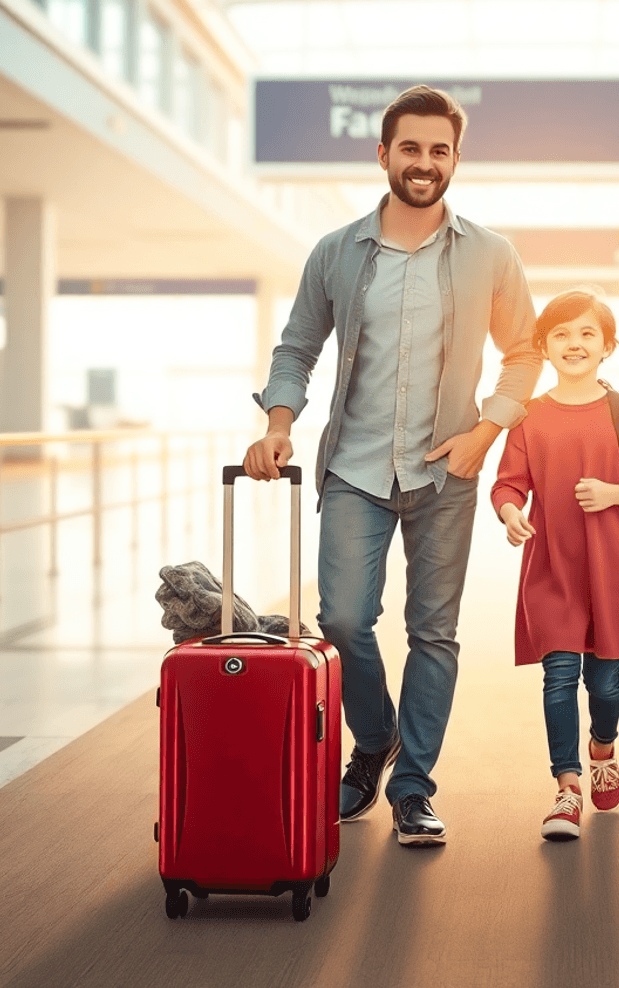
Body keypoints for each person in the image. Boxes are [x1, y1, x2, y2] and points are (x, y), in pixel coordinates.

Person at [244, 85, 541, 847]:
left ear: (455, 160)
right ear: (383, 154)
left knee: (433, 633)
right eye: (410, 148)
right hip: (356, 467)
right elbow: (297, 346)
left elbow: (524, 352)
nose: (424, 162)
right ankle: (374, 737)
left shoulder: (491, 254)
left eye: (439, 150)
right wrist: (279, 423)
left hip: (448, 470)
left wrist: (489, 431)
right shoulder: (336, 253)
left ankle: (412, 789)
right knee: (343, 616)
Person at [492, 290, 619, 841]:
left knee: (607, 681)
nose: (575, 343)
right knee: (559, 675)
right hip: (554, 570)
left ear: (607, 346)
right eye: (563, 334)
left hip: (612, 569)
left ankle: (603, 748)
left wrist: (616, 494)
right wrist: (509, 512)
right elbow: (507, 482)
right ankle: (567, 788)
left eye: (587, 333)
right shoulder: (530, 418)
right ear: (544, 347)